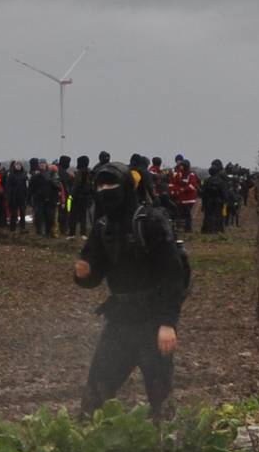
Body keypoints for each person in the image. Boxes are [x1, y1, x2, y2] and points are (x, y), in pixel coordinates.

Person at [74, 161, 189, 419]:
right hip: (120, 321)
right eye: (100, 186)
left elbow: (173, 276)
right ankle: (91, 441)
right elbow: (93, 274)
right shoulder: (103, 227)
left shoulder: (151, 222)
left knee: (160, 400)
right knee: (95, 395)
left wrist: (168, 323)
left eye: (111, 184)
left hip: (152, 322)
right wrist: (83, 274)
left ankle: (165, 442)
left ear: (126, 187)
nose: (105, 191)